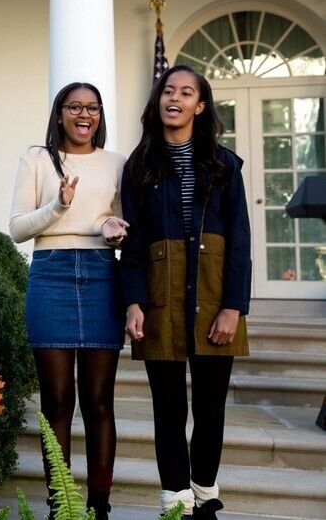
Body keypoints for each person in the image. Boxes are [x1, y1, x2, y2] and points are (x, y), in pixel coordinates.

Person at [120, 65, 250, 520]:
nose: (174, 98)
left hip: (215, 296)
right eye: (168, 91)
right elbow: (134, 241)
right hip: (160, 298)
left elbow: (239, 239)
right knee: (168, 410)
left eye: (186, 92)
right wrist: (133, 301)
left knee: (211, 409)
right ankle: (174, 502)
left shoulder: (225, 164)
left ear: (200, 105)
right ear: (157, 101)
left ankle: (205, 498)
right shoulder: (138, 166)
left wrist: (233, 306)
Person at [9, 82, 129, 520]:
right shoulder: (37, 159)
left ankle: (99, 505)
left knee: (98, 401)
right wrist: (58, 206)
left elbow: (118, 221)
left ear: (100, 114)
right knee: (57, 399)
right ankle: (61, 503)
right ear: (59, 113)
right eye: (74, 106)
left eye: (92, 108)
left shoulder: (116, 163)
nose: (84, 115)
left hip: (102, 275)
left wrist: (112, 228)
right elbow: (18, 228)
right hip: (51, 273)